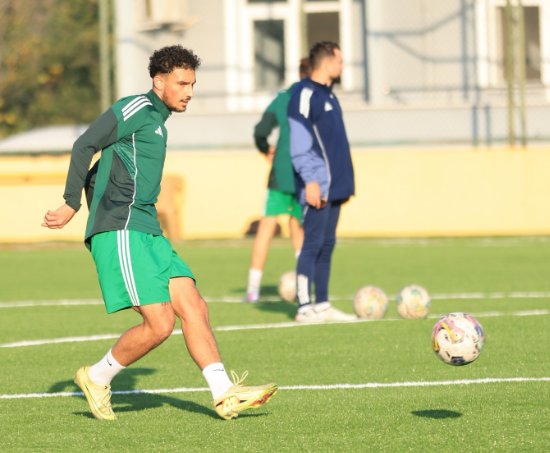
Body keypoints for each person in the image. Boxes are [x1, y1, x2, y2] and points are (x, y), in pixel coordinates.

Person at [41, 45, 277, 420]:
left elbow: (108, 167)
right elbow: (85, 144)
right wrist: (72, 203)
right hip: (121, 227)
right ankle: (97, 378)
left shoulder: (158, 121)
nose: (189, 92)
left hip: (148, 229)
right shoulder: (135, 108)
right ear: (159, 81)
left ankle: (224, 394)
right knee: (160, 323)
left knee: (194, 306)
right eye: (182, 83)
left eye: (193, 84)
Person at [288, 41, 356, 322]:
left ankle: (322, 304)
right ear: (327, 63)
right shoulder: (304, 94)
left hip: (336, 185)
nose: (342, 66)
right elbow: (300, 142)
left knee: (327, 244)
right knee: (312, 244)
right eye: (339, 61)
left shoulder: (329, 94)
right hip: (317, 185)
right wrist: (311, 180)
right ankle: (304, 307)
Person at [245, 58, 312, 303]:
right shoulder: (318, 99)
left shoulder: (284, 98)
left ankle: (252, 290)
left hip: (281, 171)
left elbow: (260, 130)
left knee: (267, 227)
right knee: (298, 227)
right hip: (304, 174)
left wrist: (265, 148)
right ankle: (304, 289)